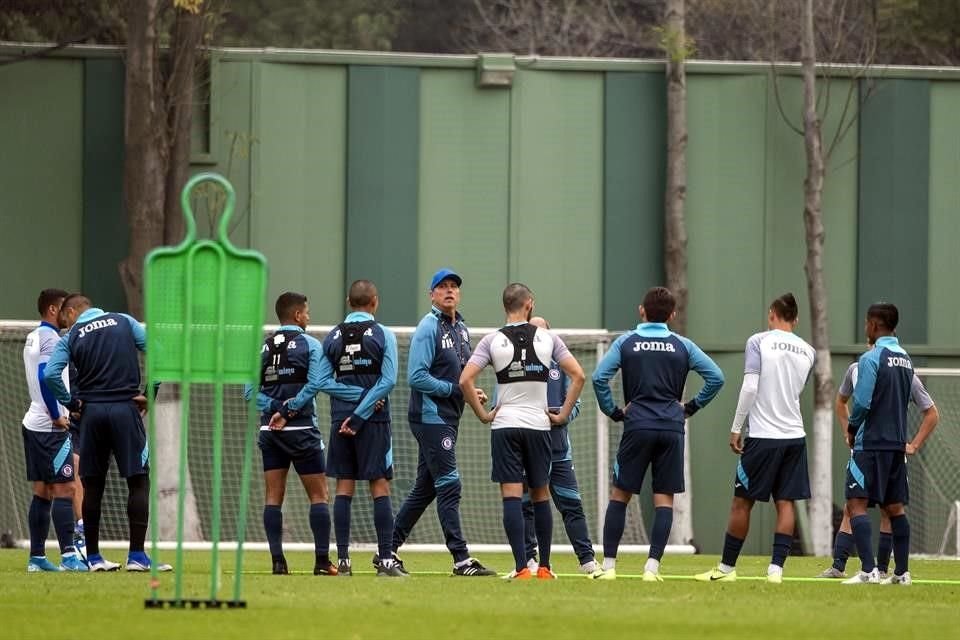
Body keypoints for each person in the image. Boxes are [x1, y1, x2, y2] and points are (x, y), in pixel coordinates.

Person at [591, 286, 724, 581]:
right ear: (672, 315)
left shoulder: (627, 342)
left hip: (637, 425)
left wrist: (613, 411)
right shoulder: (683, 345)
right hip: (671, 428)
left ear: (642, 310)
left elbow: (599, 377)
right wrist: (690, 407)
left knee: (620, 494)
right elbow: (717, 377)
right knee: (664, 500)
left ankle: (609, 567)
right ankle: (652, 568)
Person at [460, 284, 586, 580]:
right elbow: (578, 375)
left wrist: (483, 415)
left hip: (505, 425)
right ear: (529, 304)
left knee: (512, 496)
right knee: (541, 493)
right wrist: (563, 414)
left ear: (505, 305)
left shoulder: (492, 340)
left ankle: (521, 568)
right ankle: (544, 567)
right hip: (539, 424)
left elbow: (465, 379)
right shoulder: (549, 338)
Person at [694, 293, 815, 584]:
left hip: (763, 436)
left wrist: (737, 426)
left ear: (771, 314)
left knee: (742, 502)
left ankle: (726, 569)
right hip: (794, 436)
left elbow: (750, 387)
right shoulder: (809, 350)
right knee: (785, 503)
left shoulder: (758, 341)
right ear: (796, 320)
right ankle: (776, 571)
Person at [44, 294, 169, 572]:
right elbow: (161, 352)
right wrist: (150, 393)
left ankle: (95, 557)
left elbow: (51, 374)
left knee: (93, 485)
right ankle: (137, 556)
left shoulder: (72, 335)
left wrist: (72, 403)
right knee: (138, 480)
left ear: (74, 311)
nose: (66, 324)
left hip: (91, 414)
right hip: (126, 410)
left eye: (66, 318)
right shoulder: (125, 321)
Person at [391, 268, 495, 577]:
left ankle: (387, 550)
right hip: (430, 416)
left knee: (425, 489)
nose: (449, 291)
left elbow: (461, 375)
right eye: (443, 286)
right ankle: (461, 559)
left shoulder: (461, 328)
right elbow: (417, 377)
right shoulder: (427, 327)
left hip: (449, 417)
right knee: (450, 484)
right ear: (432, 294)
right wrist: (455, 390)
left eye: (454, 286)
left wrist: (470, 391)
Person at [819, 345, 939, 579]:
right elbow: (841, 401)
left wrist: (913, 445)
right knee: (853, 507)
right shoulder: (856, 369)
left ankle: (877, 570)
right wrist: (848, 433)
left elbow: (932, 412)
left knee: (886, 509)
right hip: (866, 449)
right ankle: (841, 566)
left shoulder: (904, 372)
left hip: (882, 449)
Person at [247, 292, 336, 576]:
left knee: (273, 496)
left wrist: (275, 408)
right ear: (298, 315)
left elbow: (249, 392)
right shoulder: (310, 345)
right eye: (307, 313)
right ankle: (322, 562)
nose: (309, 317)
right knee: (319, 495)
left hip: (269, 431)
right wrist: (289, 410)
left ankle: (278, 563)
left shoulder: (262, 348)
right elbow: (315, 384)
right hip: (301, 431)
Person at [319, 280, 404, 578]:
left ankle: (343, 561)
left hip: (340, 420)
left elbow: (321, 381)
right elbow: (389, 380)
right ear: (375, 302)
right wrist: (365, 404)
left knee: (344, 486)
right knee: (379, 485)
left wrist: (351, 400)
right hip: (373, 421)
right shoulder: (383, 334)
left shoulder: (331, 337)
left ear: (348, 301)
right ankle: (385, 561)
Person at [842, 303, 916, 585]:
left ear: (873, 325)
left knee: (856, 503)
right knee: (895, 507)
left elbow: (861, 401)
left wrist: (851, 427)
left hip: (871, 444)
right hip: (897, 445)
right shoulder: (906, 359)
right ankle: (902, 573)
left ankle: (869, 570)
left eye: (866, 323)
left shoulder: (871, 358)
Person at [520, 316, 597, 575]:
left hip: (559, 450)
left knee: (571, 504)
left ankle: (587, 560)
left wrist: (561, 415)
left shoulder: (561, 366)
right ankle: (528, 561)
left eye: (544, 331)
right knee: (525, 505)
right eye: (535, 331)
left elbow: (575, 403)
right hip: (527, 449)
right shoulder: (519, 365)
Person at [21, 289, 86, 572]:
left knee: (43, 491)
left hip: (33, 423)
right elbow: (45, 376)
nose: (66, 314)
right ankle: (70, 555)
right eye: (63, 309)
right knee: (65, 488)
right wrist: (57, 415)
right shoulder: (50, 338)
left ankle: (37, 557)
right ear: (52, 310)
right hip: (50, 425)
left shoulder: (33, 336)